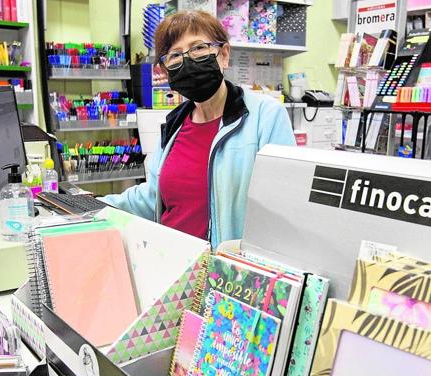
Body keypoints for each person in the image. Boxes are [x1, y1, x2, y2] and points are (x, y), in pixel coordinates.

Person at [101, 10, 295, 248]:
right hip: (172, 264)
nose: (188, 60)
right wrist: (93, 204)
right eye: (175, 55)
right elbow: (153, 197)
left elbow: (284, 209)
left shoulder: (265, 116)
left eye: (199, 48)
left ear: (223, 55)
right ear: (166, 70)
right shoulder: (174, 124)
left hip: (228, 275)